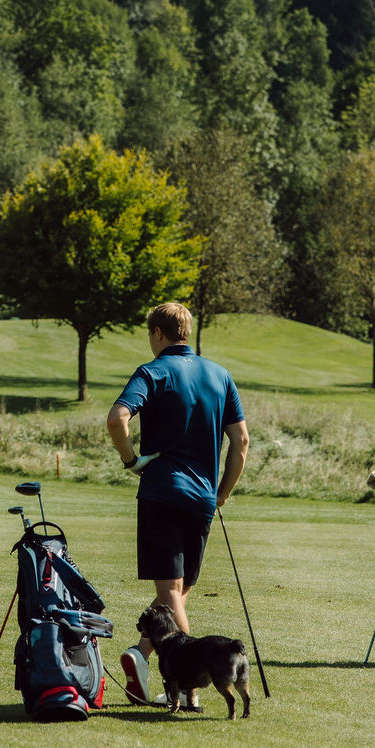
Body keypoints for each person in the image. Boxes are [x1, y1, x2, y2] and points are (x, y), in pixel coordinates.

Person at [107, 302, 248, 709]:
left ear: (157, 333)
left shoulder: (152, 372)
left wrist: (131, 461)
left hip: (162, 492)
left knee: (172, 590)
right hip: (202, 498)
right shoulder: (220, 375)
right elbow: (241, 442)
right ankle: (142, 653)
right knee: (181, 589)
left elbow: (117, 419)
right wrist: (222, 493)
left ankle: (188, 690)